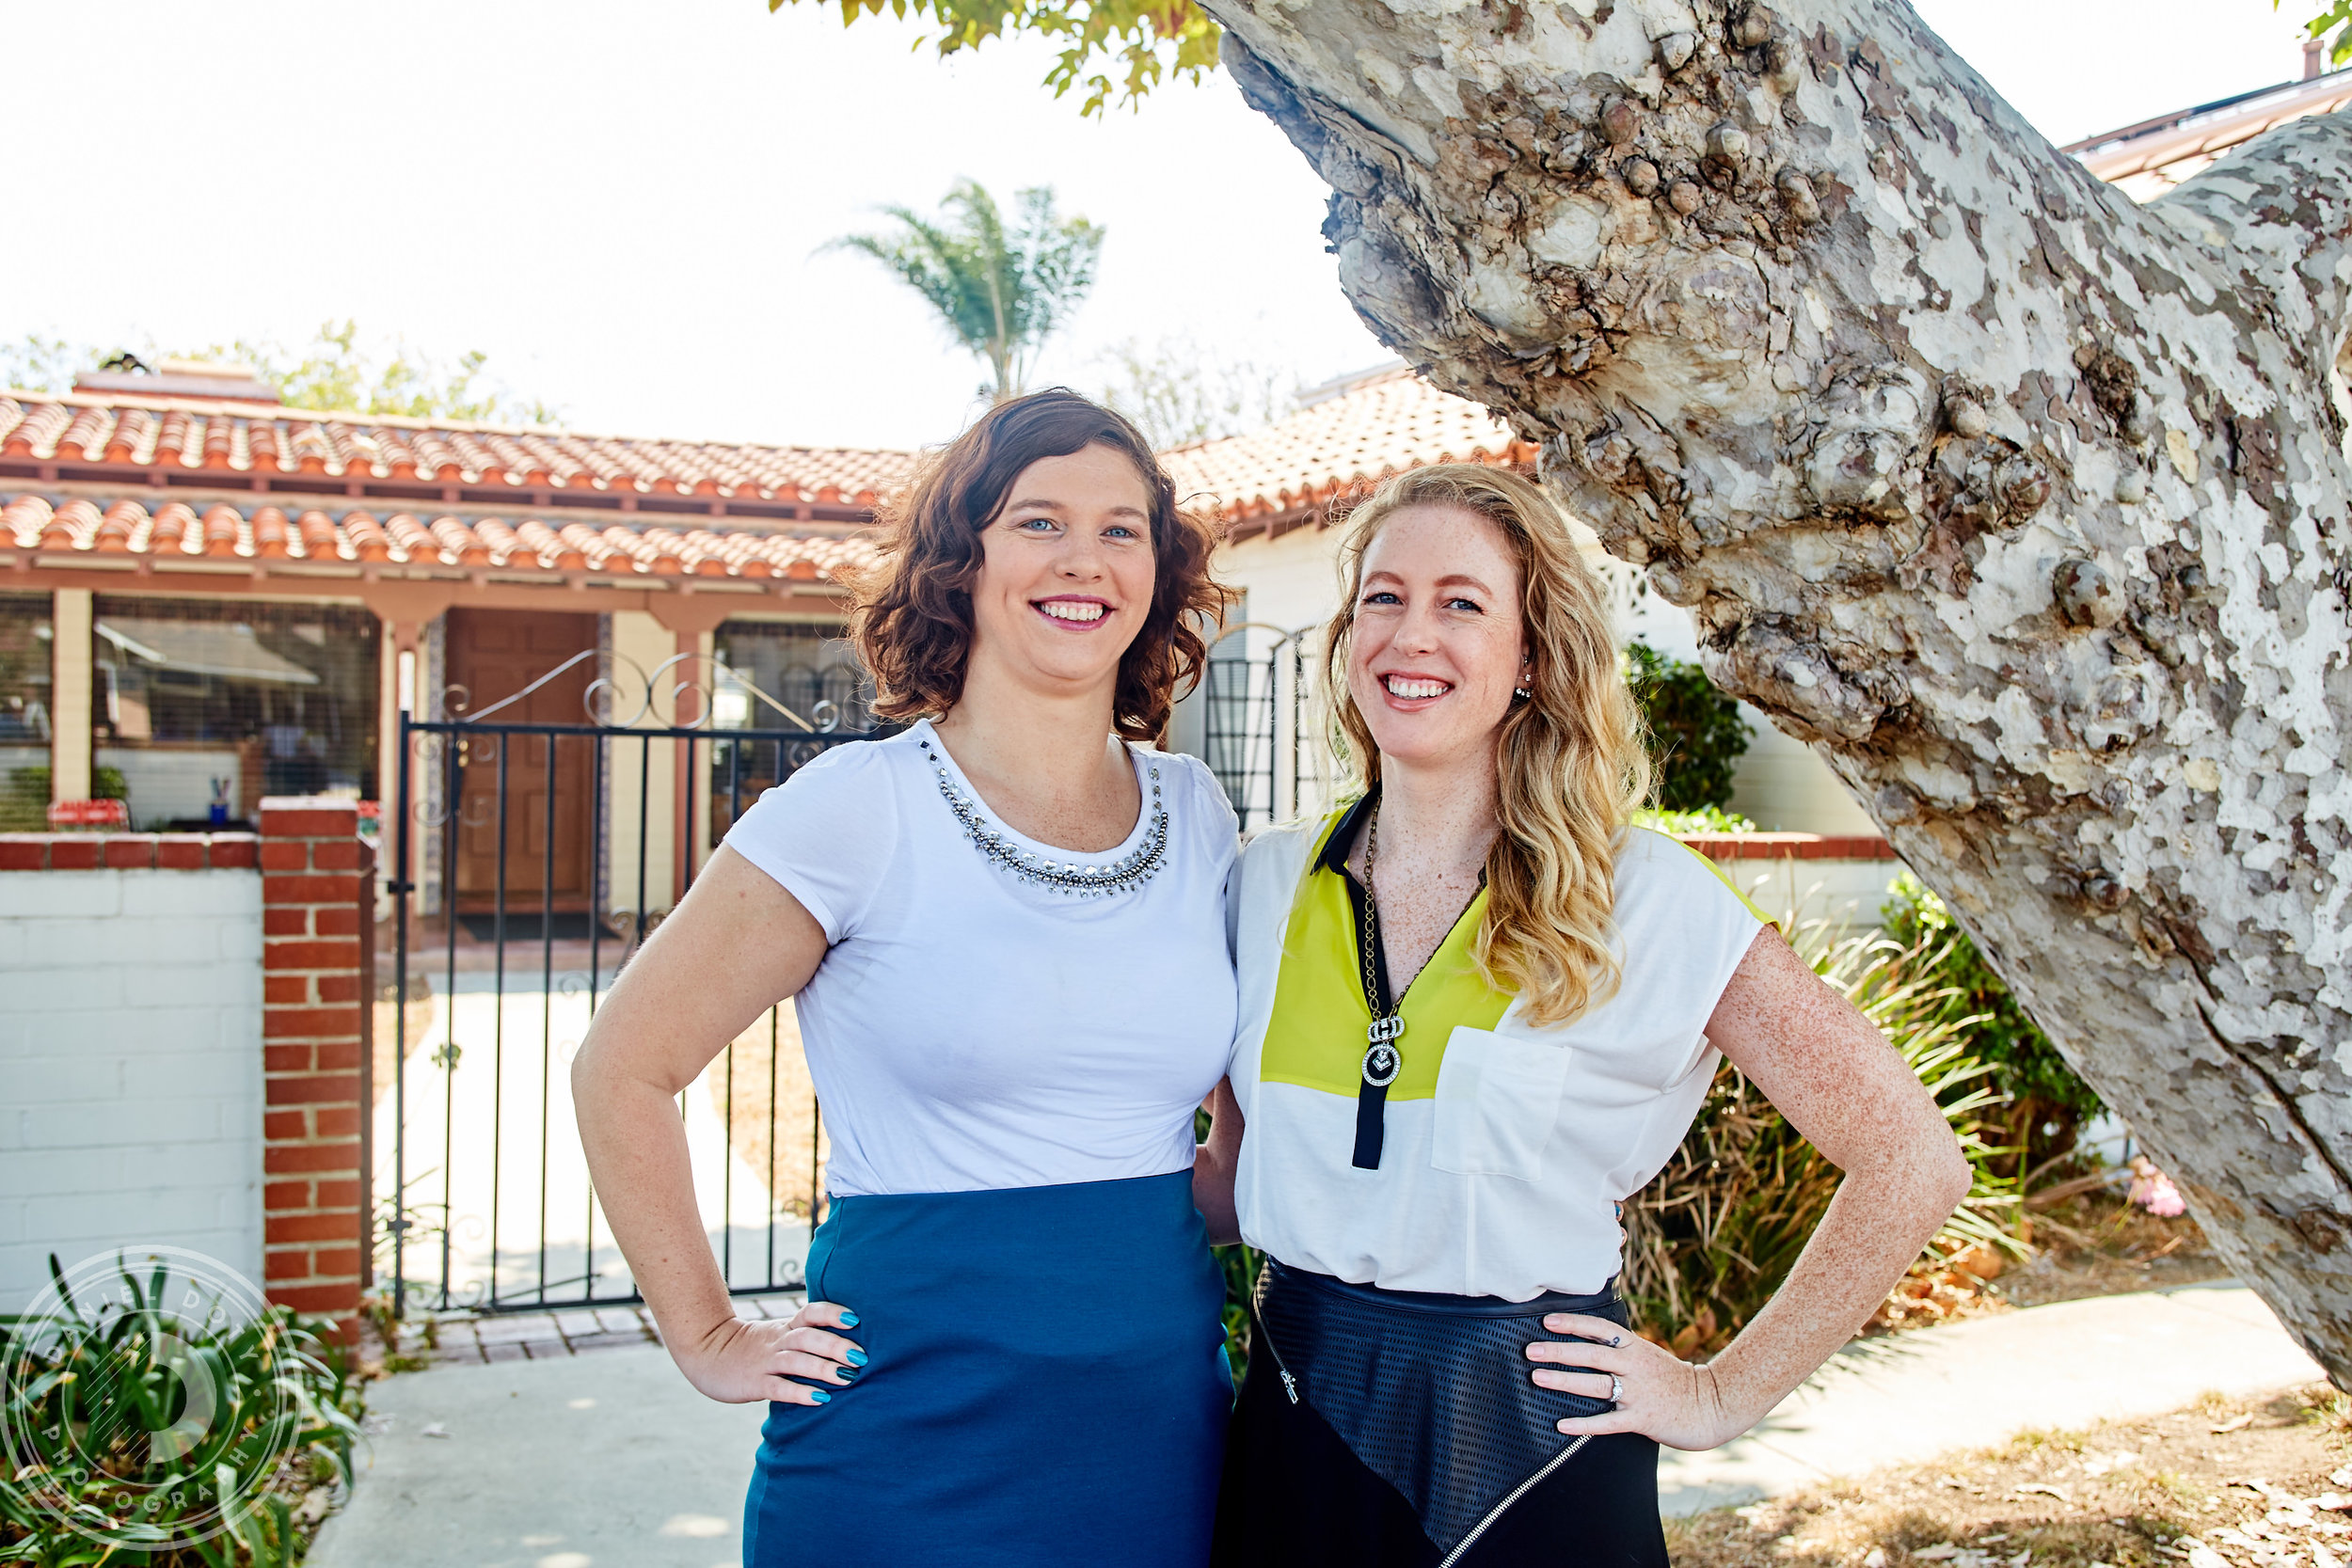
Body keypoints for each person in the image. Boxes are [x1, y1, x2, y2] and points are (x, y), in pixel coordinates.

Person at [1198, 463, 1973, 1568]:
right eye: (1383, 596)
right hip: (1291, 1438)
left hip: (1531, 1460)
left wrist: (1719, 1391)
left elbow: (1910, 1157)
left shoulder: (1644, 898)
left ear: (1531, 656)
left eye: (1460, 602)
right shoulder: (1262, 883)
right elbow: (1227, 1182)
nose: (1410, 632)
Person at [572, 389, 1241, 1568]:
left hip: (1159, 1435)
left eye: (1121, 528)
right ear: (960, 559)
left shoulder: (1198, 816)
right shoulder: (854, 809)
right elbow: (622, 1067)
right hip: (904, 1446)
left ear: (1157, 570)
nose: (1083, 558)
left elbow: (1231, 1146)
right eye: (1038, 521)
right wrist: (709, 1332)